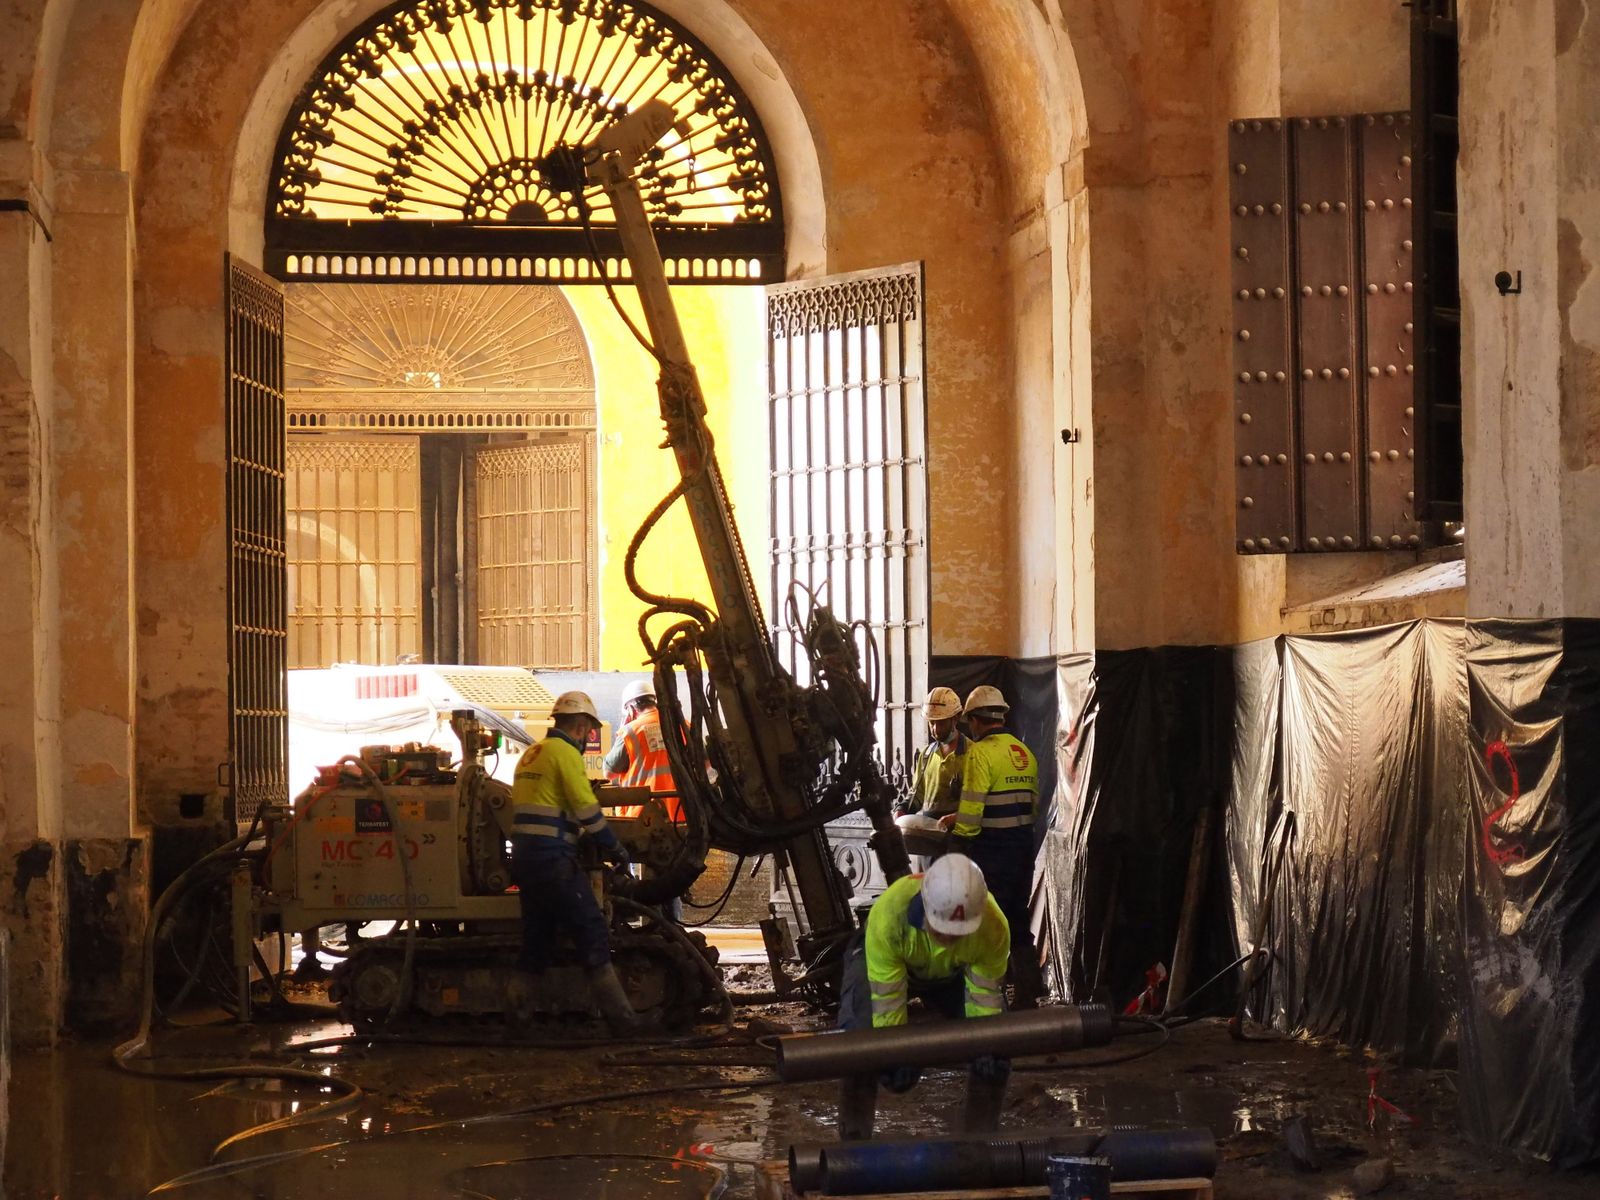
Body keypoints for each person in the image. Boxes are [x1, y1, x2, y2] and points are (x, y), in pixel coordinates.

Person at [836, 854, 1012, 1139]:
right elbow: (887, 999)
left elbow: (984, 997)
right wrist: (894, 1050)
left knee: (998, 1046)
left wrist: (987, 1043)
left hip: (950, 971)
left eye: (958, 933)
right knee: (859, 1043)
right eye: (943, 930)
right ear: (925, 908)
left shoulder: (993, 928)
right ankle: (852, 1145)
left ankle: (981, 1144)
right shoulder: (890, 917)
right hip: (886, 960)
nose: (950, 938)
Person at [508, 690, 641, 1031]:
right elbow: (587, 809)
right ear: (581, 727)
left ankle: (517, 1017)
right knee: (591, 927)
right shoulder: (565, 753)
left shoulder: (532, 754)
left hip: (525, 859)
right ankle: (623, 1021)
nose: (587, 739)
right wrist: (615, 848)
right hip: (552, 859)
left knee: (537, 938)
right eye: (589, 732)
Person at [941, 685, 1047, 1008]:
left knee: (987, 925)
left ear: (974, 720)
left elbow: (972, 813)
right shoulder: (1023, 753)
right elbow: (1030, 806)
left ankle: (986, 998)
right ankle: (1028, 991)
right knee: (1017, 918)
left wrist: (957, 846)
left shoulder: (980, 753)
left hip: (994, 852)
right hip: (1023, 849)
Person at [603, 678, 684, 822]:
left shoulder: (629, 732)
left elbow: (609, 773)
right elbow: (706, 762)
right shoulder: (682, 726)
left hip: (642, 819)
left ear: (630, 709)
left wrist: (622, 732)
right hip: (682, 815)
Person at [897, 686, 969, 821]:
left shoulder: (972, 754)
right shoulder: (926, 755)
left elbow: (978, 804)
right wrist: (902, 809)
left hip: (959, 831)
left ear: (956, 718)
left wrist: (956, 818)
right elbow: (918, 793)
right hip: (928, 830)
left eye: (941, 723)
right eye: (931, 723)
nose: (936, 729)